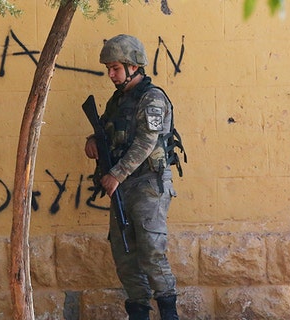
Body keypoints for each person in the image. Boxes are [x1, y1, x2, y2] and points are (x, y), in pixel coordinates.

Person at [84, 34, 180, 320]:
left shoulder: (152, 99)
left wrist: (116, 174)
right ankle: (139, 312)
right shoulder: (117, 101)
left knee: (151, 253)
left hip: (147, 184)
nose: (110, 74)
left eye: (115, 68)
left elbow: (146, 142)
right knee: (125, 257)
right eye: (109, 69)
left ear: (133, 66)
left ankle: (169, 313)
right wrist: (92, 140)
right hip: (122, 187)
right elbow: (108, 131)